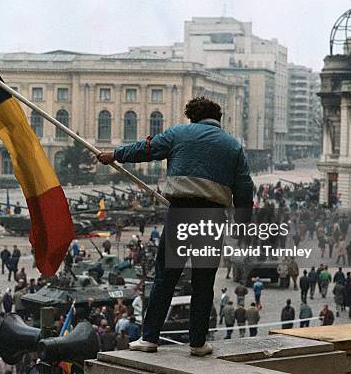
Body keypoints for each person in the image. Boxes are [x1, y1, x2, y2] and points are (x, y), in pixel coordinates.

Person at [97, 96, 253, 356]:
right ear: (218, 119)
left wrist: (114, 155)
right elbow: (244, 188)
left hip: (180, 213)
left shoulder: (179, 133)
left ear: (191, 117)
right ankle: (198, 343)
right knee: (203, 283)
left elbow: (145, 149)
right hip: (212, 218)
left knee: (165, 278)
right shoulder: (233, 146)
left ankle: (149, 338)